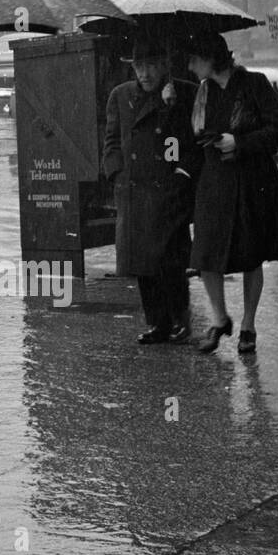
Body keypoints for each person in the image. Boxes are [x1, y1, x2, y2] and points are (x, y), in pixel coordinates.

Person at [186, 31, 278, 356]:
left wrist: (240, 142)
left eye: (194, 59)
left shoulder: (255, 84)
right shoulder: (203, 92)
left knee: (252, 255)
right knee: (206, 255)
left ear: (211, 58)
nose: (191, 66)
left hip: (253, 182)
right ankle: (221, 318)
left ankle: (248, 326)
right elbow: (193, 137)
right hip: (214, 184)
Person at [102, 37, 200, 345]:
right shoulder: (121, 95)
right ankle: (157, 323)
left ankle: (180, 321)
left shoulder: (183, 93)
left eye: (151, 66)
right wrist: (117, 173)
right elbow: (112, 140)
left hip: (168, 190)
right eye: (139, 67)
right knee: (142, 263)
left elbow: (191, 142)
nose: (144, 74)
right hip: (132, 191)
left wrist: (183, 173)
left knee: (170, 261)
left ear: (164, 66)